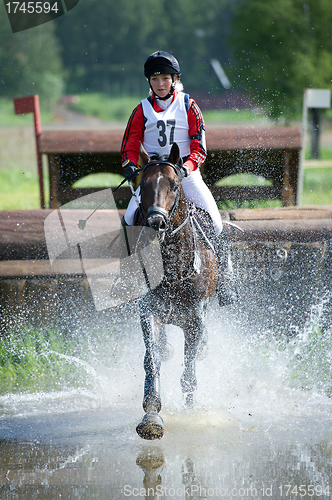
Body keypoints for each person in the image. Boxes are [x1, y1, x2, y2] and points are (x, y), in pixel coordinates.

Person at [120, 51, 237, 306]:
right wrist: (129, 164)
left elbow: (200, 147)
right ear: (149, 82)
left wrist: (186, 167)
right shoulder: (140, 110)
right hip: (154, 177)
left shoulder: (189, 105)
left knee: (215, 220)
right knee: (128, 218)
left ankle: (226, 278)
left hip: (186, 175)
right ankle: (127, 278)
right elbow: (130, 144)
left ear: (174, 79)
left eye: (164, 78)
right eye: (154, 79)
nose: (159, 84)